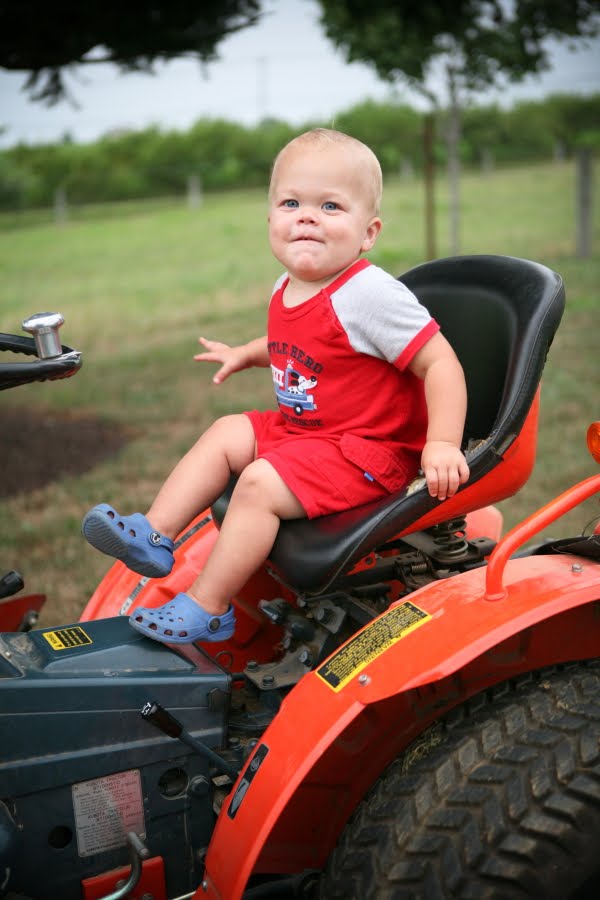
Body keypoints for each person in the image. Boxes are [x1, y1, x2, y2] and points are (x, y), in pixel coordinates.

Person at [82, 128, 470, 645]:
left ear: (368, 232)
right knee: (227, 432)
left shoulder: (369, 293)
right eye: (292, 203)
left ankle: (208, 606)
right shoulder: (287, 285)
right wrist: (247, 352)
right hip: (309, 435)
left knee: (260, 483)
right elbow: (302, 341)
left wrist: (441, 443)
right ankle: (154, 535)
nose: (307, 216)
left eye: (330, 206)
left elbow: (440, 362)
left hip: (369, 452)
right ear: (270, 220)